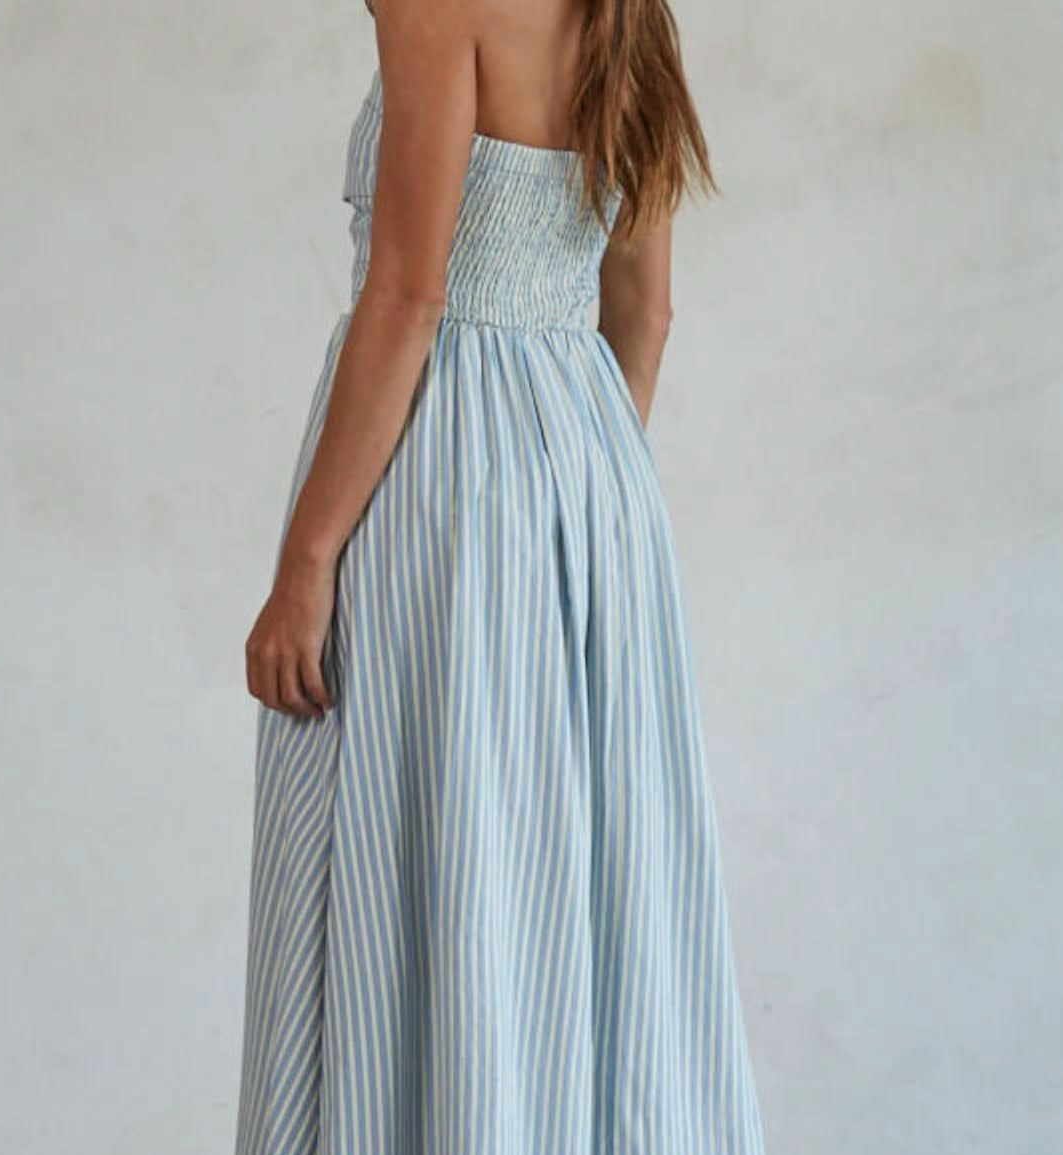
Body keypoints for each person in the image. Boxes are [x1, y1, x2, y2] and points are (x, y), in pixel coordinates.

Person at [235, 0, 768, 1151]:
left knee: (417, 833)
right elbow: (647, 311)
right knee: (566, 856)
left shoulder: (436, 6)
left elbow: (410, 295)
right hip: (593, 487)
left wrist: (306, 564)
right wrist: (566, 503)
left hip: (439, 472)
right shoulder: (634, 15)